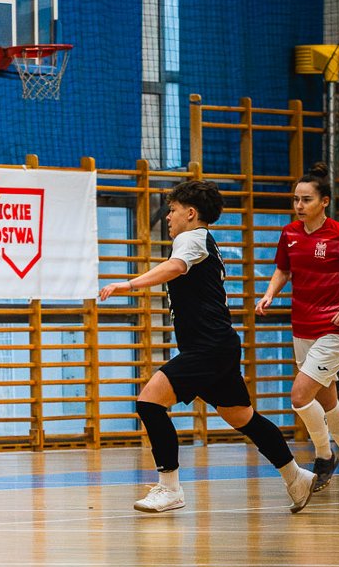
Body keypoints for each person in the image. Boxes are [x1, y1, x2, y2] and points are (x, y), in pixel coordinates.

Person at [99, 179, 314, 514]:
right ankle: (295, 476)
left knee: (149, 403)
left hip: (209, 347)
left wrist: (128, 283)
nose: (168, 218)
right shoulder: (203, 241)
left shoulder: (191, 237)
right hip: (217, 345)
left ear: (191, 212)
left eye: (171, 211)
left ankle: (169, 488)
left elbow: (176, 267)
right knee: (243, 417)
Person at [255, 165, 339, 495]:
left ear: (323, 202)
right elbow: (283, 270)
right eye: (295, 199)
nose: (299, 205)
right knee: (327, 402)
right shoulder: (290, 233)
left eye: (306, 199)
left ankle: (324, 456)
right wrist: (270, 293)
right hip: (303, 329)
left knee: (299, 396)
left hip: (335, 330)